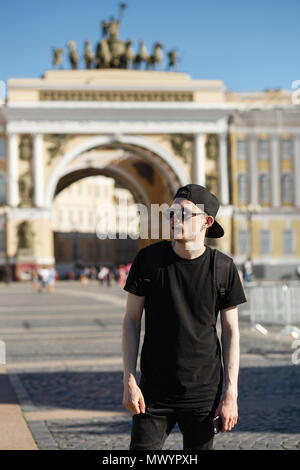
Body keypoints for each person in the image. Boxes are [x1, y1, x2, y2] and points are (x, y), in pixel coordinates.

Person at [122, 184, 247, 450]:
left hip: (203, 392)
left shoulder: (223, 268)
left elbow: (231, 331)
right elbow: (131, 320)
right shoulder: (148, 260)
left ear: (206, 221)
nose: (174, 219)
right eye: (171, 213)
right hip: (153, 392)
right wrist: (129, 379)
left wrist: (231, 393)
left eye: (183, 214)